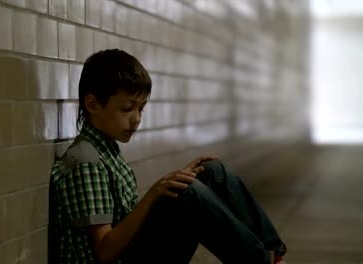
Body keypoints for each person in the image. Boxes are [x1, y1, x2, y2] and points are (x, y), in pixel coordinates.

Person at [49, 49, 287, 264]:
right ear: (93, 104)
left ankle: (275, 256)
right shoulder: (86, 163)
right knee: (186, 192)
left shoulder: (105, 150)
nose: (136, 119)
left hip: (133, 254)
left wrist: (175, 182)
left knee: (212, 171)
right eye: (127, 108)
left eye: (141, 108)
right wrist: (154, 194)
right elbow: (104, 251)